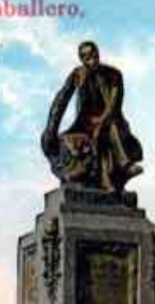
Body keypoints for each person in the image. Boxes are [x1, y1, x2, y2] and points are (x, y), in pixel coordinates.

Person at [41, 41, 144, 194]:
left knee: (108, 129)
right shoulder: (78, 75)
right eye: (87, 56)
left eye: (94, 54)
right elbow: (61, 100)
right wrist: (51, 128)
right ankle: (109, 177)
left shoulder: (114, 75)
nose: (93, 59)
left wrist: (102, 121)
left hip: (111, 120)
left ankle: (122, 166)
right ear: (82, 59)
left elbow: (114, 105)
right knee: (96, 136)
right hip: (85, 124)